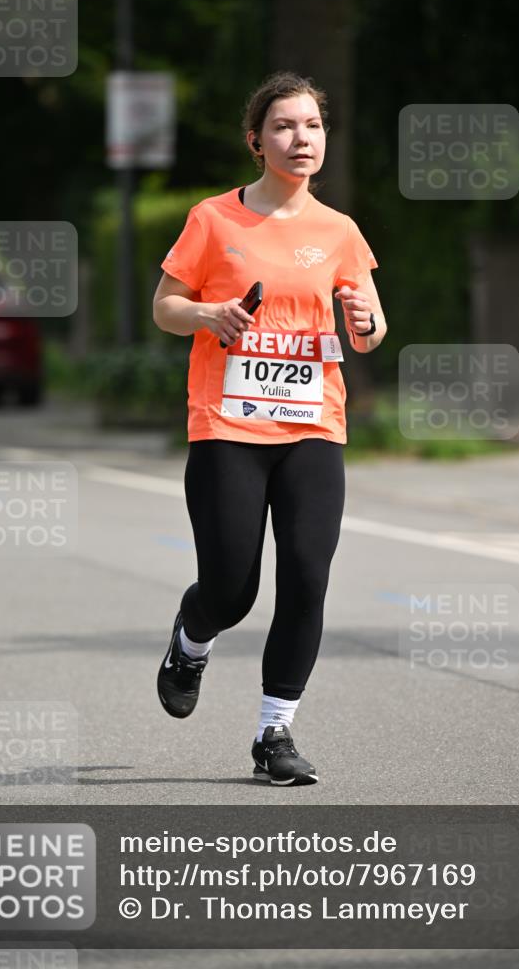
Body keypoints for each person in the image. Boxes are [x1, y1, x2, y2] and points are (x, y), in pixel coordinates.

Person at [152, 71, 387, 786]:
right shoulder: (212, 220)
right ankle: (191, 641)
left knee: (308, 578)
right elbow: (166, 306)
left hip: (313, 423)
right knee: (230, 587)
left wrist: (364, 324)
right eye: (285, 126)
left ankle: (273, 734)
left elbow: (372, 326)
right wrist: (208, 314)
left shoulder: (339, 231)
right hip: (227, 422)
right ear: (257, 141)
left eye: (312, 126)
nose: (300, 138)